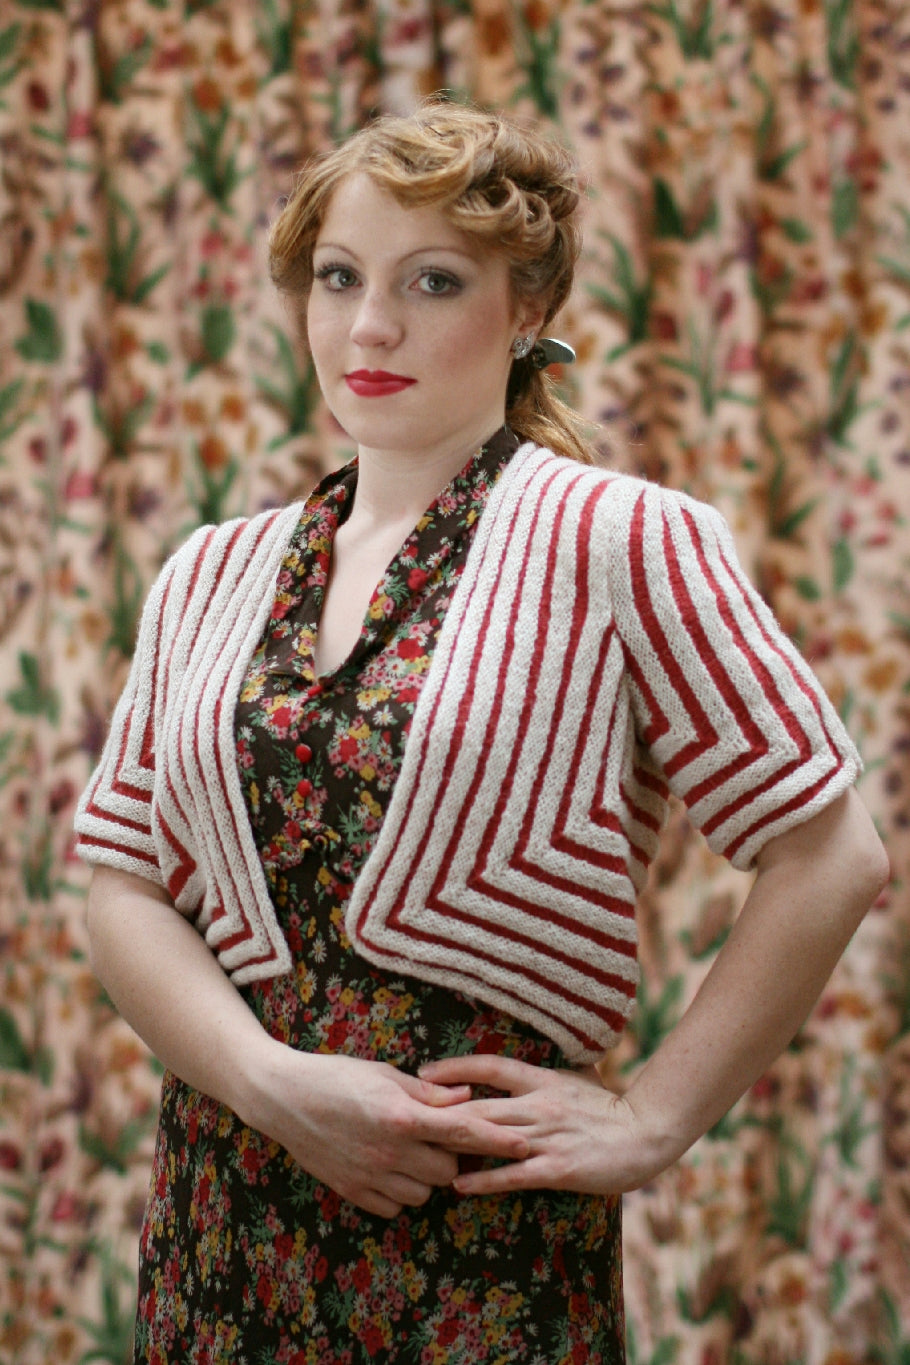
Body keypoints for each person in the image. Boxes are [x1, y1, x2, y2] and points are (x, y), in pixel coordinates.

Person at [75, 97, 889, 1364]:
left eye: (432, 281)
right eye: (338, 277)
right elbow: (121, 883)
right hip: (223, 1212)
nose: (370, 325)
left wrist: (653, 1120)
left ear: (527, 313)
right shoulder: (207, 572)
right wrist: (270, 1087)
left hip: (478, 1245)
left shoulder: (624, 539)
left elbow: (830, 854)